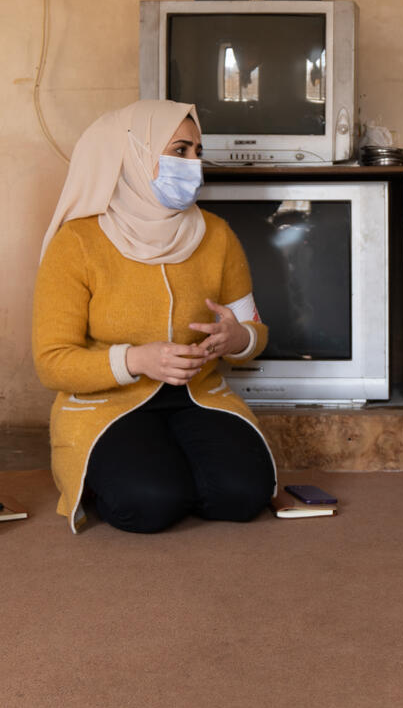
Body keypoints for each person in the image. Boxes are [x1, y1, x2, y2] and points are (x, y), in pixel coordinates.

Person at [32, 100, 277, 534]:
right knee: (148, 504)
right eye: (179, 151)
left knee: (243, 495)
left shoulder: (216, 235)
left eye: (198, 153)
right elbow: (52, 361)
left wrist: (237, 338)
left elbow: (253, 332)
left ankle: (168, 464)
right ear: (133, 154)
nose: (193, 165)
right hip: (106, 405)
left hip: (199, 395)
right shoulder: (77, 242)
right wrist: (135, 360)